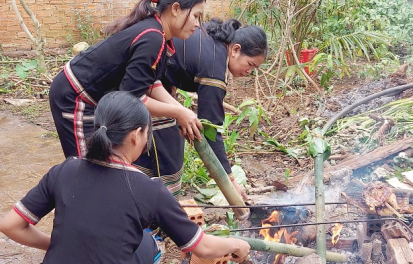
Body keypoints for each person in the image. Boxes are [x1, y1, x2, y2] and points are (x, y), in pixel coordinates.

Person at [0, 91, 250, 264]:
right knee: (148, 244)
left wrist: (56, 245)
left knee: (141, 240)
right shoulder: (149, 190)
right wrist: (236, 245)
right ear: (136, 134)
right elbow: (203, 247)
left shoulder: (64, 170)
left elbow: (11, 225)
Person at [49, 0, 204, 159]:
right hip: (75, 96)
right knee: (87, 167)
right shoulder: (153, 37)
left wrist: (181, 110)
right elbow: (133, 98)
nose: (198, 24)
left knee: (102, 162)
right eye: (196, 16)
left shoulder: (158, 33)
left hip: (94, 97)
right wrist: (178, 112)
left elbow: (150, 83)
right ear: (176, 9)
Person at [133, 18, 267, 197]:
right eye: (250, 64)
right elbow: (210, 130)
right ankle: (156, 203)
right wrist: (230, 181)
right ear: (235, 50)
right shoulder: (214, 68)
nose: (249, 72)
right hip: (140, 81)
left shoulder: (214, 43)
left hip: (154, 81)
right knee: (166, 147)